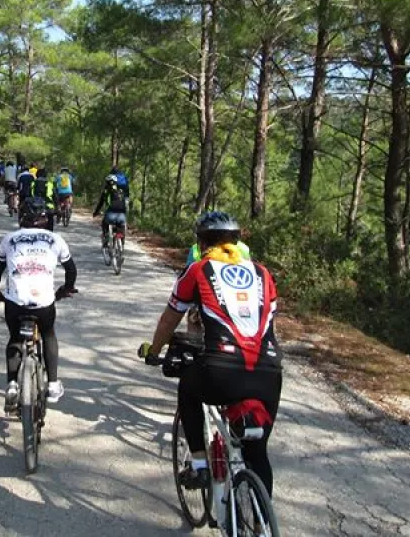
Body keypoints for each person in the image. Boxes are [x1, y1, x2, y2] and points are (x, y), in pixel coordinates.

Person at [139, 211, 283, 497]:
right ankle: (262, 518)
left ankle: (199, 465)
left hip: (220, 370)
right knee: (257, 453)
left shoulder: (198, 270)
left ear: (201, 243)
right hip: (269, 374)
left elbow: (170, 319)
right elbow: (267, 324)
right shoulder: (263, 274)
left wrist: (154, 351)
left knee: (188, 389)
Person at [0, 197, 77, 411]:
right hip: (44, 303)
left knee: (15, 338)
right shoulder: (56, 239)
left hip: (15, 303)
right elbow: (71, 270)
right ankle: (53, 384)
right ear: (45, 218)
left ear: (22, 217)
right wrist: (66, 289)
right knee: (48, 334)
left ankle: (12, 385)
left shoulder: (9, 239)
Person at [93, 173, 129, 246]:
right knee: (121, 227)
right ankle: (122, 242)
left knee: (104, 222)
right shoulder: (121, 190)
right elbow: (125, 203)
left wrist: (96, 212)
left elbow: (101, 203)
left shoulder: (106, 191)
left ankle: (106, 240)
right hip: (122, 215)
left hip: (111, 214)